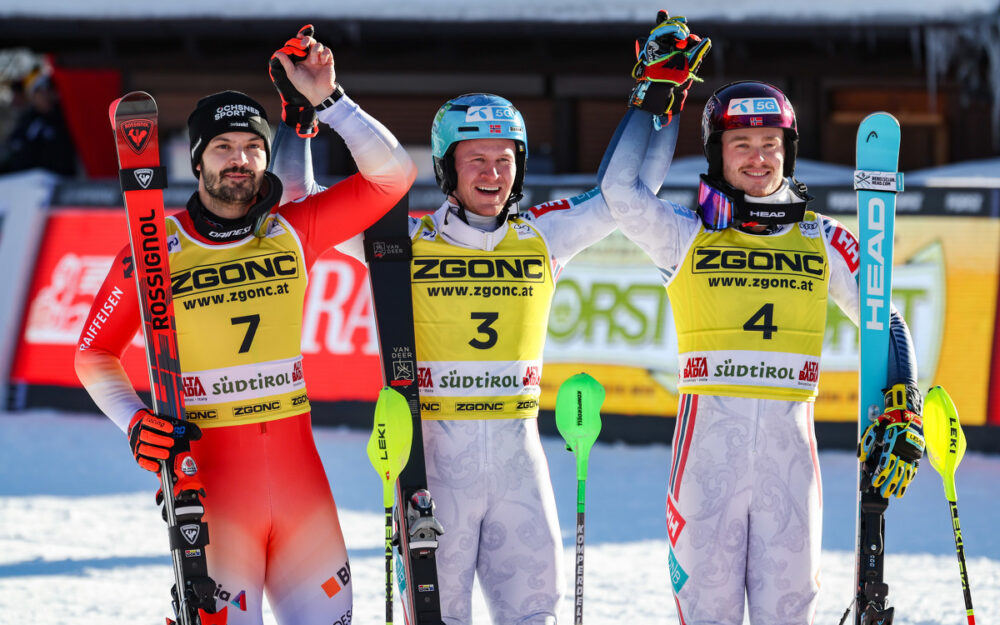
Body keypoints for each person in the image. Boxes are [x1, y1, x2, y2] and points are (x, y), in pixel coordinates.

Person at [272, 81, 679, 621]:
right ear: (446, 167)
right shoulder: (405, 240)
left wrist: (660, 101)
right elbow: (300, 203)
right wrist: (300, 120)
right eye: (476, 159)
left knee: (537, 615)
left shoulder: (544, 234)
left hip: (519, 462)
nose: (492, 173)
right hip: (433, 469)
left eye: (505, 159)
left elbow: (629, 196)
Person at [74, 29, 416, 625]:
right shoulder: (156, 246)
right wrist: (134, 421)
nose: (240, 159)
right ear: (198, 159)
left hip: (301, 488)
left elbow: (393, 176)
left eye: (253, 147)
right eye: (224, 147)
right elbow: (93, 353)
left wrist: (330, 100)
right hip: (211, 490)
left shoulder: (291, 228)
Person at [598, 13, 925, 625]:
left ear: (789, 152)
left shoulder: (825, 238)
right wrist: (654, 102)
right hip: (705, 466)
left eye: (770, 144)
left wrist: (903, 400)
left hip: (789, 463)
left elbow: (887, 319)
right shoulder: (685, 235)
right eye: (740, 145)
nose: (757, 159)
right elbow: (620, 194)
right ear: (717, 154)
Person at [0, 71, 77, 176]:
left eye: (49, 91)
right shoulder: (26, 122)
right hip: (26, 180)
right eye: (40, 93)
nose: (46, 97)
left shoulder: (65, 120)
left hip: (59, 180)